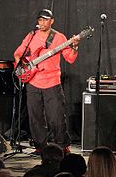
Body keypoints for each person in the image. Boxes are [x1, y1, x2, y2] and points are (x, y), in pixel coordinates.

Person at [13, 9, 80, 153]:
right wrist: (23, 65)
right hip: (32, 81)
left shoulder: (59, 37)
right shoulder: (31, 35)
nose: (42, 23)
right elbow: (18, 52)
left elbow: (70, 58)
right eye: (40, 20)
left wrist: (74, 46)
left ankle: (62, 146)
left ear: (52, 21)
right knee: (35, 116)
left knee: (56, 117)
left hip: (52, 82)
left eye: (45, 20)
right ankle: (40, 146)